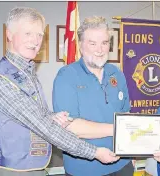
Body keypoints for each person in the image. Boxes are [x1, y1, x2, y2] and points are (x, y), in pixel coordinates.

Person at [0, 7, 119, 176]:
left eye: (39, 35)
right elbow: (45, 128)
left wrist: (51, 116)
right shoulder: (1, 80)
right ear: (9, 34)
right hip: (11, 171)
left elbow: (34, 114)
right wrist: (95, 152)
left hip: (34, 167)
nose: (35, 40)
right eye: (28, 33)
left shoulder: (26, 71)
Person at [52, 16, 134, 176]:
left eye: (104, 43)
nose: (100, 49)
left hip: (123, 164)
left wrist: (131, 149)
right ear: (81, 46)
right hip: (85, 168)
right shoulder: (66, 76)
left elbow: (126, 115)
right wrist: (117, 129)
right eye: (92, 43)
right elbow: (71, 127)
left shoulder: (117, 73)